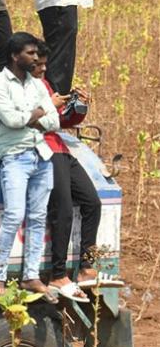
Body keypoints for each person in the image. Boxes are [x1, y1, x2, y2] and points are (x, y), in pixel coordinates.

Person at [0, 33, 60, 300]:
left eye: (36, 54)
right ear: (15, 56)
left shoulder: (37, 83)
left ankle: (31, 276)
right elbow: (13, 120)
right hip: (15, 157)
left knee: (38, 218)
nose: (36, 58)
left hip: (42, 155)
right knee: (14, 216)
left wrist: (34, 118)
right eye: (30, 53)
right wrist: (37, 115)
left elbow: (55, 120)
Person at [32, 46, 100, 299]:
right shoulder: (20, 88)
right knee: (62, 208)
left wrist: (79, 105)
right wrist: (50, 107)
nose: (43, 68)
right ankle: (58, 274)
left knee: (92, 202)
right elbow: (25, 120)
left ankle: (86, 266)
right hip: (43, 147)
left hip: (60, 147)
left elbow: (64, 120)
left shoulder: (44, 84)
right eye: (38, 62)